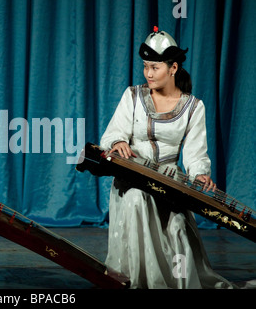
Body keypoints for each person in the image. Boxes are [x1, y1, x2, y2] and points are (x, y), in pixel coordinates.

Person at [99, 27, 233, 288]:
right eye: (146, 66)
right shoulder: (133, 97)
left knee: (178, 228)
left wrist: (200, 173)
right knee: (137, 200)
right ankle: (138, 280)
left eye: (155, 67)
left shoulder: (193, 107)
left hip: (170, 183)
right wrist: (118, 142)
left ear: (173, 68)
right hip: (133, 179)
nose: (148, 73)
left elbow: (195, 154)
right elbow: (113, 133)